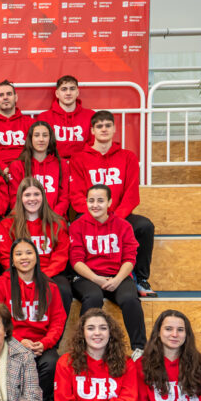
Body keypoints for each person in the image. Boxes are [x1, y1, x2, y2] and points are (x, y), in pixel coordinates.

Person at [70, 110, 156, 297]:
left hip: (119, 216)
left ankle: (140, 279)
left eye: (108, 125)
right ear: (92, 130)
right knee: (74, 226)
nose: (104, 129)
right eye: (99, 126)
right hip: (90, 216)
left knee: (145, 226)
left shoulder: (128, 157)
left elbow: (131, 195)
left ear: (114, 128)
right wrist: (97, 216)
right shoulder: (79, 158)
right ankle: (80, 277)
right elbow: (76, 195)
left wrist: (113, 219)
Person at [0, 239, 67, 401]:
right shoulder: (0, 284)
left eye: (29, 253)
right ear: (12, 260)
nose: (24, 257)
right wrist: (18, 341)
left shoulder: (50, 287)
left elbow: (58, 321)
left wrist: (45, 343)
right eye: (18, 254)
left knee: (52, 363)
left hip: (41, 345)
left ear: (37, 257)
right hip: (10, 343)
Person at [69, 184, 147, 356]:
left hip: (117, 275)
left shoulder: (123, 226)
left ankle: (140, 349)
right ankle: (82, 349)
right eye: (91, 200)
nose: (95, 205)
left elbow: (130, 258)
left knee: (130, 299)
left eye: (100, 200)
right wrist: (96, 279)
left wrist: (118, 279)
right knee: (93, 297)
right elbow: (76, 261)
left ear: (110, 202)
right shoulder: (77, 225)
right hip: (87, 277)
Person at [0, 178, 71, 312]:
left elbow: (60, 256)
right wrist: (25, 276)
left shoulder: (58, 223)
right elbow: (6, 257)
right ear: (20, 198)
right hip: (19, 272)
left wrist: (41, 275)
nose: (32, 199)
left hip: (49, 272)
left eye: (36, 194)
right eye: (27, 195)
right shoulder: (7, 224)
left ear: (43, 197)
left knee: (64, 289)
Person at [8, 121, 68, 217]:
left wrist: (52, 217)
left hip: (54, 218)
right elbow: (15, 199)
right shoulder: (17, 165)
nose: (41, 139)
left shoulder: (62, 164)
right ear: (30, 139)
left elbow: (64, 198)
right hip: (26, 218)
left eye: (45, 135)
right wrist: (31, 218)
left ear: (50, 138)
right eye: (36, 135)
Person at [36, 75, 95, 161]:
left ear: (77, 92)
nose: (68, 93)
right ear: (57, 94)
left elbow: (93, 145)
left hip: (82, 163)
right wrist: (62, 162)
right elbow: (42, 147)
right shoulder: (44, 117)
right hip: (54, 163)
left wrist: (76, 162)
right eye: (64, 89)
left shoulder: (90, 115)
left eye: (72, 89)